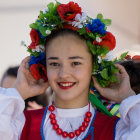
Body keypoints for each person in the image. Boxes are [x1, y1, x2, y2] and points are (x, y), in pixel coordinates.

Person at [0, 1, 139, 140]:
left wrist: (128, 98)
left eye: (75, 63)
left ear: (94, 67)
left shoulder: (117, 130)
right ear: (44, 67)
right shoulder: (20, 125)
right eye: (54, 63)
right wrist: (17, 91)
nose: (64, 74)